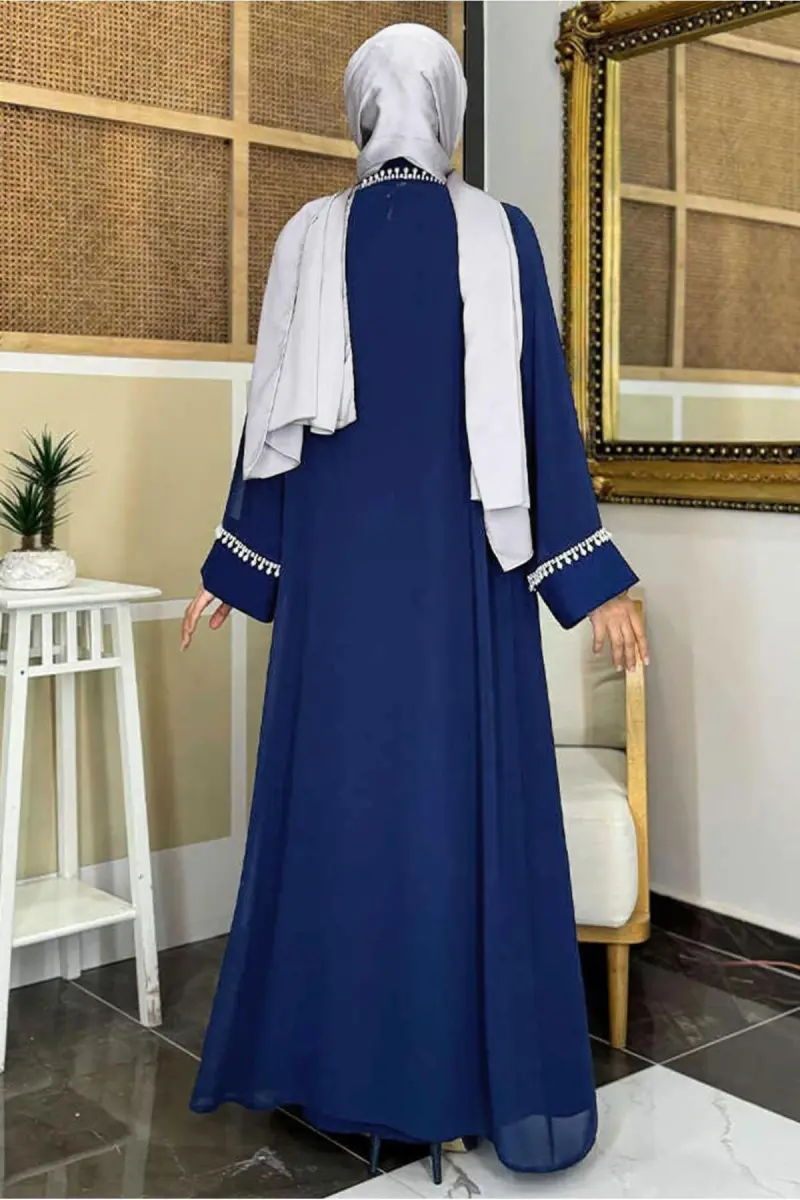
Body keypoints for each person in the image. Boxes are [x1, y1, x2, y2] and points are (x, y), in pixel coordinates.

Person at [181, 22, 647, 1183]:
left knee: (344, 810)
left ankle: (335, 1068)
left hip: (338, 599)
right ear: (447, 114)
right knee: (455, 814)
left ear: (360, 113)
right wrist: (593, 578)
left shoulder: (306, 236)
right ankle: (463, 1081)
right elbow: (543, 417)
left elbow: (269, 434)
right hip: (462, 594)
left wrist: (235, 568)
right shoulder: (498, 231)